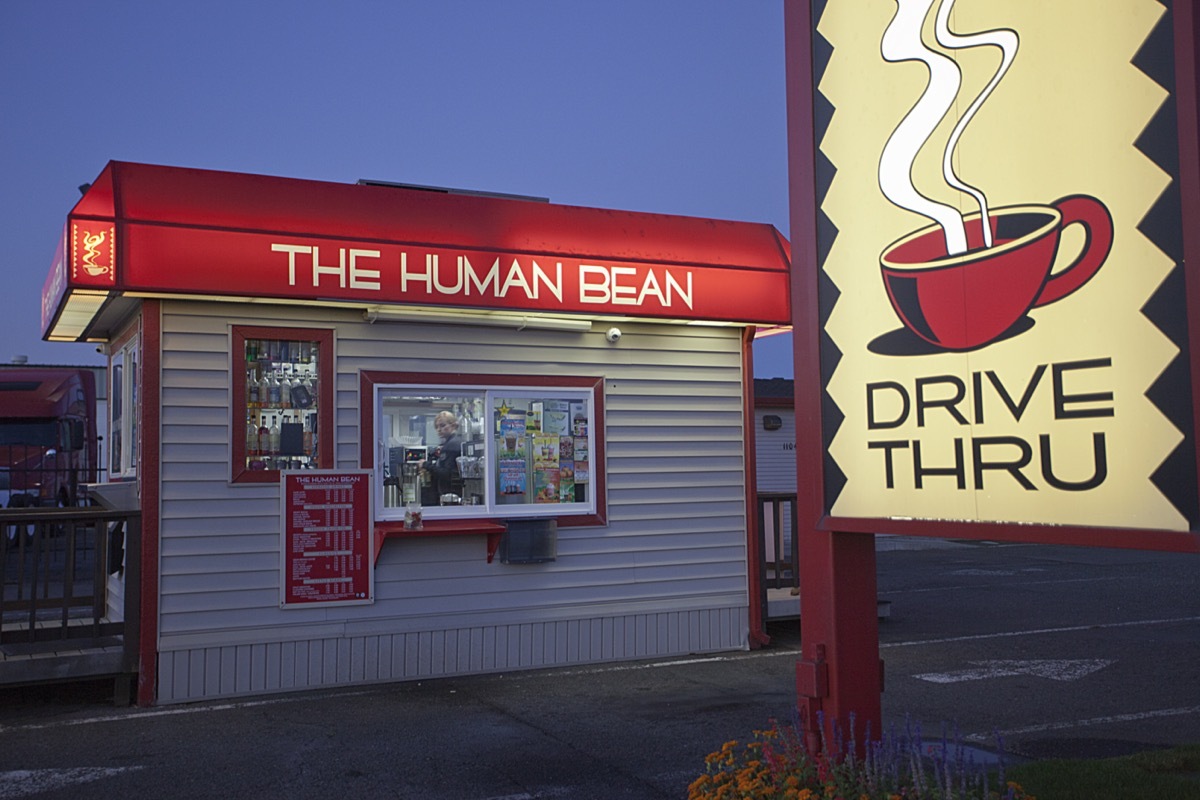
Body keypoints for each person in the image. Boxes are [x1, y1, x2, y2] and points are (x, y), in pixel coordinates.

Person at [425, 410, 463, 501]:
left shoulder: (451, 446)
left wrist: (426, 465)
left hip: (450, 495)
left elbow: (445, 473)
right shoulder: (453, 443)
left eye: (442, 425)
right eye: (437, 427)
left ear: (453, 425)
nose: (439, 429)